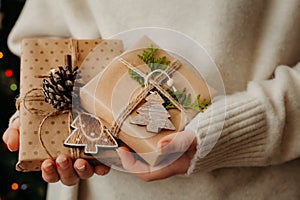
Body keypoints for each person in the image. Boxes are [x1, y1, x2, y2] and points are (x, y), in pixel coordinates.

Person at [3, 0, 300, 199]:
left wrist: (232, 128)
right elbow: (46, 39)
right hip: (97, 188)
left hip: (249, 188)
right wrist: (37, 113)